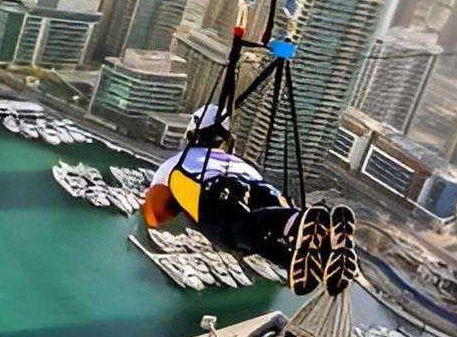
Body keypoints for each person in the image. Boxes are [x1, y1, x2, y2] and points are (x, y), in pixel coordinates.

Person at [142, 105, 357, 297]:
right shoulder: (243, 164)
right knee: (265, 224)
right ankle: (306, 230)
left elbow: (155, 214)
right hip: (253, 184)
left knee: (242, 231)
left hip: (211, 196)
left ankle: (297, 247)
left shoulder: (174, 164)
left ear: (192, 133)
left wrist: (168, 206)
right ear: (224, 138)